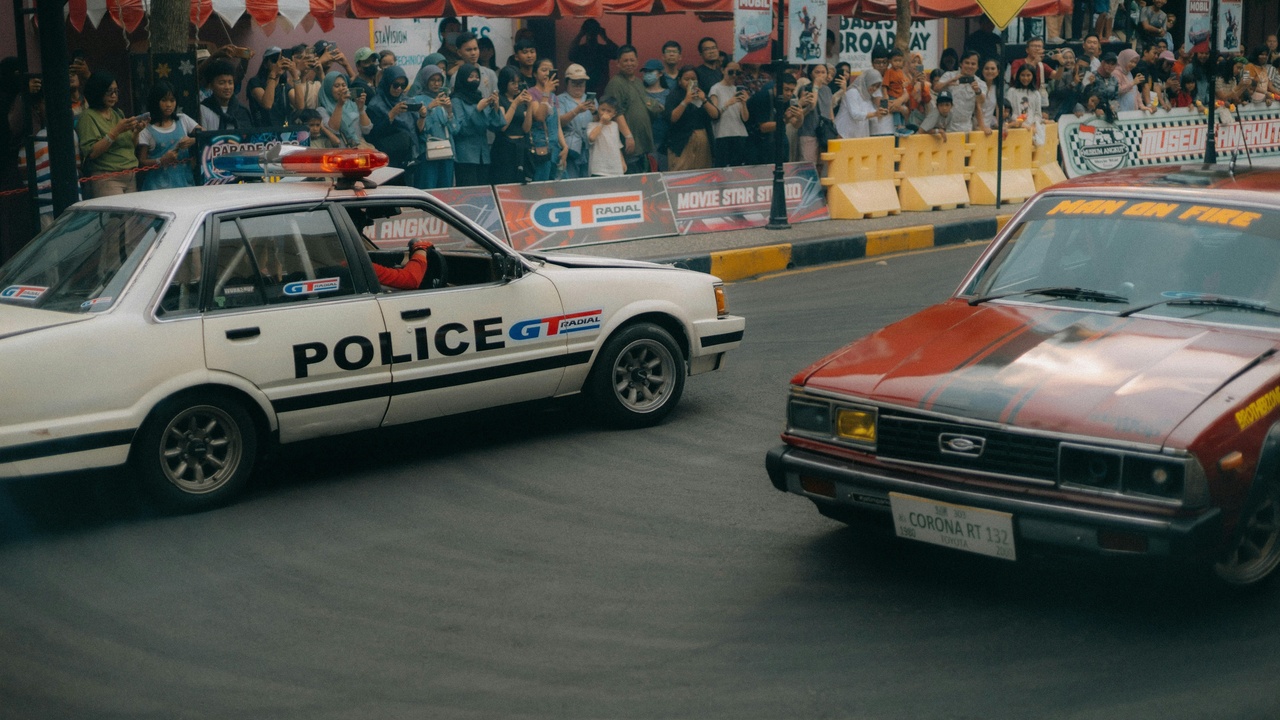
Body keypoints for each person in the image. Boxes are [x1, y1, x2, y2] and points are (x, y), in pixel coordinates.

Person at [77, 70, 143, 197]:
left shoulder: (117, 113)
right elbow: (92, 152)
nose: (113, 96)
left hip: (130, 174)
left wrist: (137, 132)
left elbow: (131, 146)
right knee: (115, 216)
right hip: (108, 177)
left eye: (116, 91)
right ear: (98, 91)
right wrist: (116, 131)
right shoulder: (88, 117)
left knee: (130, 216)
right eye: (109, 92)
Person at [604, 45, 663, 174]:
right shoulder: (616, 83)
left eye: (632, 60)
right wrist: (628, 136)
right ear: (618, 63)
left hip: (643, 144)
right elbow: (615, 112)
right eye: (625, 61)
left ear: (637, 62)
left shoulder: (638, 82)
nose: (629, 63)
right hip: (630, 145)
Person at [136, 81, 199, 190]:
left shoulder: (183, 119)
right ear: (155, 102)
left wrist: (193, 140)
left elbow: (207, 136)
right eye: (164, 100)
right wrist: (161, 160)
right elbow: (142, 162)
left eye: (172, 100)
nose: (169, 105)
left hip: (184, 184)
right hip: (157, 187)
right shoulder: (146, 129)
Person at [450, 63, 505, 187]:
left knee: (483, 193)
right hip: (465, 155)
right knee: (469, 193)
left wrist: (495, 107)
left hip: (483, 154)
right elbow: (460, 129)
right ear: (463, 78)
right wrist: (477, 110)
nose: (475, 80)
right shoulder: (456, 99)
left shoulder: (479, 97)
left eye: (477, 77)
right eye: (471, 77)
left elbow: (496, 125)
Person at [367, 66, 423, 173]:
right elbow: (373, 134)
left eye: (403, 86)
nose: (399, 89)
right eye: (395, 85)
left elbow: (416, 130)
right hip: (387, 161)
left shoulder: (406, 100)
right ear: (387, 83)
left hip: (409, 159)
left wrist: (422, 116)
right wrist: (392, 114)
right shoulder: (376, 104)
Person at [664, 66, 717, 171]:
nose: (690, 82)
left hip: (702, 138)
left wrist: (704, 100)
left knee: (703, 173)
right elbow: (671, 118)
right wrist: (685, 101)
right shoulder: (674, 95)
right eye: (686, 79)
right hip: (681, 140)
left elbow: (715, 115)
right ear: (679, 81)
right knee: (680, 173)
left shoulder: (702, 94)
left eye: (693, 79)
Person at [410, 66, 454, 190]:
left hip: (446, 153)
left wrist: (449, 111)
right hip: (427, 153)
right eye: (432, 80)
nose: (436, 84)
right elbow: (420, 129)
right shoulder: (417, 100)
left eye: (439, 80)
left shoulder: (444, 100)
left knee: (446, 191)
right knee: (429, 189)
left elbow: (454, 130)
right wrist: (429, 108)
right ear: (425, 81)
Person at [492, 66, 534, 184]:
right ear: (504, 83)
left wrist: (530, 106)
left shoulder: (521, 101)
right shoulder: (500, 99)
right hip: (505, 148)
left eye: (519, 82)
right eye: (513, 83)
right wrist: (515, 103)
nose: (517, 86)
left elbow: (526, 128)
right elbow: (503, 125)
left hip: (521, 147)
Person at [528, 58, 568, 182]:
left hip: (555, 146)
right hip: (541, 147)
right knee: (541, 183)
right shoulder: (531, 93)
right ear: (535, 73)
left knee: (560, 184)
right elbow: (539, 117)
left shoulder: (554, 97)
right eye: (544, 70)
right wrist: (546, 92)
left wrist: (565, 146)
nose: (547, 73)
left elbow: (557, 125)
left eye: (550, 71)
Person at [933, 50, 989, 133]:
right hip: (945, 127)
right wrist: (949, 82)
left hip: (966, 128)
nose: (969, 66)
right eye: (967, 63)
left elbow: (981, 102)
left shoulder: (981, 84)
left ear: (977, 67)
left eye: (973, 64)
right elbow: (936, 88)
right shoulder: (949, 75)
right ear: (961, 64)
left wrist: (977, 91)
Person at [708, 61, 750, 166]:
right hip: (723, 134)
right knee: (723, 169)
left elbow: (745, 118)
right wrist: (728, 104)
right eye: (731, 72)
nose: (734, 75)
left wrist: (744, 103)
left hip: (740, 133)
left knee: (739, 169)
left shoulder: (737, 89)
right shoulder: (715, 89)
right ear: (722, 70)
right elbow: (714, 114)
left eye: (738, 73)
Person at [557, 64, 596, 179]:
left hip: (589, 148)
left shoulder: (590, 99)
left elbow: (599, 122)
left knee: (588, 182)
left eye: (582, 83)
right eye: (575, 83)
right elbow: (559, 122)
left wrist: (595, 112)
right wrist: (577, 110)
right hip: (571, 149)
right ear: (567, 82)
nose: (578, 86)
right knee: (571, 181)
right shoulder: (560, 99)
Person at [318, 71, 372, 148]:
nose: (341, 89)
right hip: (338, 151)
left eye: (344, 85)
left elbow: (366, 130)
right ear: (328, 89)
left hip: (359, 149)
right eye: (337, 86)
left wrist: (361, 109)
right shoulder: (322, 110)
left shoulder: (353, 105)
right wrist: (339, 105)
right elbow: (333, 130)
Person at [247, 47, 295, 128]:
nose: (278, 64)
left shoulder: (284, 85)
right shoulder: (255, 82)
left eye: (281, 61)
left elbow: (300, 105)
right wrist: (273, 74)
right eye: (274, 60)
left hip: (284, 135)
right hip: (262, 133)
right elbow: (267, 104)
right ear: (265, 64)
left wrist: (296, 75)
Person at [568, 19, 617, 98]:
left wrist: (605, 37)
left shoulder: (603, 50)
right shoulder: (581, 50)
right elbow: (570, 55)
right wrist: (604, 36)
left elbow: (617, 54)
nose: (591, 34)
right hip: (583, 88)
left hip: (601, 89)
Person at [199, 59, 253, 131]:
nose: (227, 87)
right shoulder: (203, 109)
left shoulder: (242, 111)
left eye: (230, 82)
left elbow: (249, 139)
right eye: (222, 83)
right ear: (211, 86)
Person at [796, 64, 832, 162]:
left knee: (822, 164)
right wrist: (815, 86)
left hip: (824, 133)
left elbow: (830, 111)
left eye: (823, 72)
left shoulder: (827, 90)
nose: (820, 75)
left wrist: (833, 128)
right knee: (808, 164)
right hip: (808, 132)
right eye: (817, 72)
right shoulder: (805, 88)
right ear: (811, 74)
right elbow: (812, 105)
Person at [446, 32, 499, 99]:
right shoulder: (456, 77)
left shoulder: (490, 74)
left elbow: (496, 100)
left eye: (475, 49)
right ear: (459, 52)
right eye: (469, 50)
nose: (473, 53)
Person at [641, 60, 672, 170]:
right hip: (647, 141)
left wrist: (663, 110)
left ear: (660, 73)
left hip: (665, 140)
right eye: (645, 72)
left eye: (650, 71)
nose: (647, 74)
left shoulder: (668, 93)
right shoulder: (640, 92)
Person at [835, 68, 882, 139]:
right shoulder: (852, 92)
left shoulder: (867, 97)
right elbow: (855, 114)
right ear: (866, 82)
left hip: (856, 136)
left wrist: (880, 112)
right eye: (873, 85)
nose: (874, 88)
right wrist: (874, 114)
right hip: (843, 133)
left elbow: (873, 116)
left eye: (877, 86)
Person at [1007, 64, 1045, 145]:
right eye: (1023, 75)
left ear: (1033, 76)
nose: (1025, 78)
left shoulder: (1036, 93)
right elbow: (1010, 112)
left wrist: (1034, 124)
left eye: (1028, 75)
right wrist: (1021, 124)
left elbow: (1038, 114)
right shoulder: (1012, 91)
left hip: (1031, 128)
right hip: (1016, 128)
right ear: (1018, 76)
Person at [588, 97, 626, 177]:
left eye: (609, 111)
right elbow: (591, 138)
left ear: (614, 114)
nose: (605, 113)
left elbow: (617, 145)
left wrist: (622, 161)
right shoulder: (592, 125)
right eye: (603, 110)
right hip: (599, 169)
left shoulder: (615, 125)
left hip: (615, 168)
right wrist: (601, 122)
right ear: (598, 109)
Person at [1114, 48, 1152, 113]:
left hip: (1132, 111)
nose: (1133, 65)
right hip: (1121, 112)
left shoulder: (1129, 73)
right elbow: (1117, 90)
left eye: (1135, 62)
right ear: (1125, 60)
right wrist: (1133, 83)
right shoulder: (1116, 73)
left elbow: (1135, 92)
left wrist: (1141, 106)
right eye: (1131, 62)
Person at [881, 49, 909, 131]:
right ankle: (898, 125)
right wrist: (886, 96)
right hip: (892, 95)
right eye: (895, 60)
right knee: (896, 110)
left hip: (900, 96)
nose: (897, 63)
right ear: (890, 61)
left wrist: (904, 85)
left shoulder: (901, 72)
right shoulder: (889, 72)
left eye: (899, 61)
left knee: (902, 111)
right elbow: (885, 85)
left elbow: (904, 83)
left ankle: (903, 125)